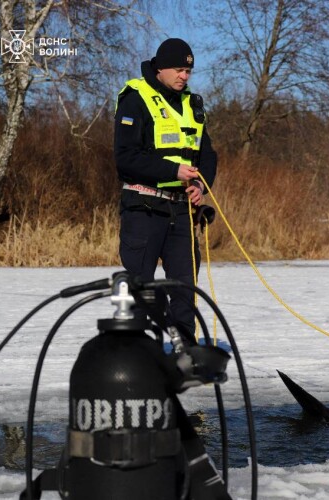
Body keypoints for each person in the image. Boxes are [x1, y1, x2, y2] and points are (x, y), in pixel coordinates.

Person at [114, 38, 217, 337]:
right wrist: (173, 170)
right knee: (141, 290)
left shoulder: (192, 105)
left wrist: (200, 183)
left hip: (181, 210)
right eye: (178, 69)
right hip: (144, 209)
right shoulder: (136, 98)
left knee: (185, 290)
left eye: (188, 70)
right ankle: (140, 355)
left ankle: (184, 353)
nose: (184, 76)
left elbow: (207, 155)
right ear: (160, 67)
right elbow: (126, 158)